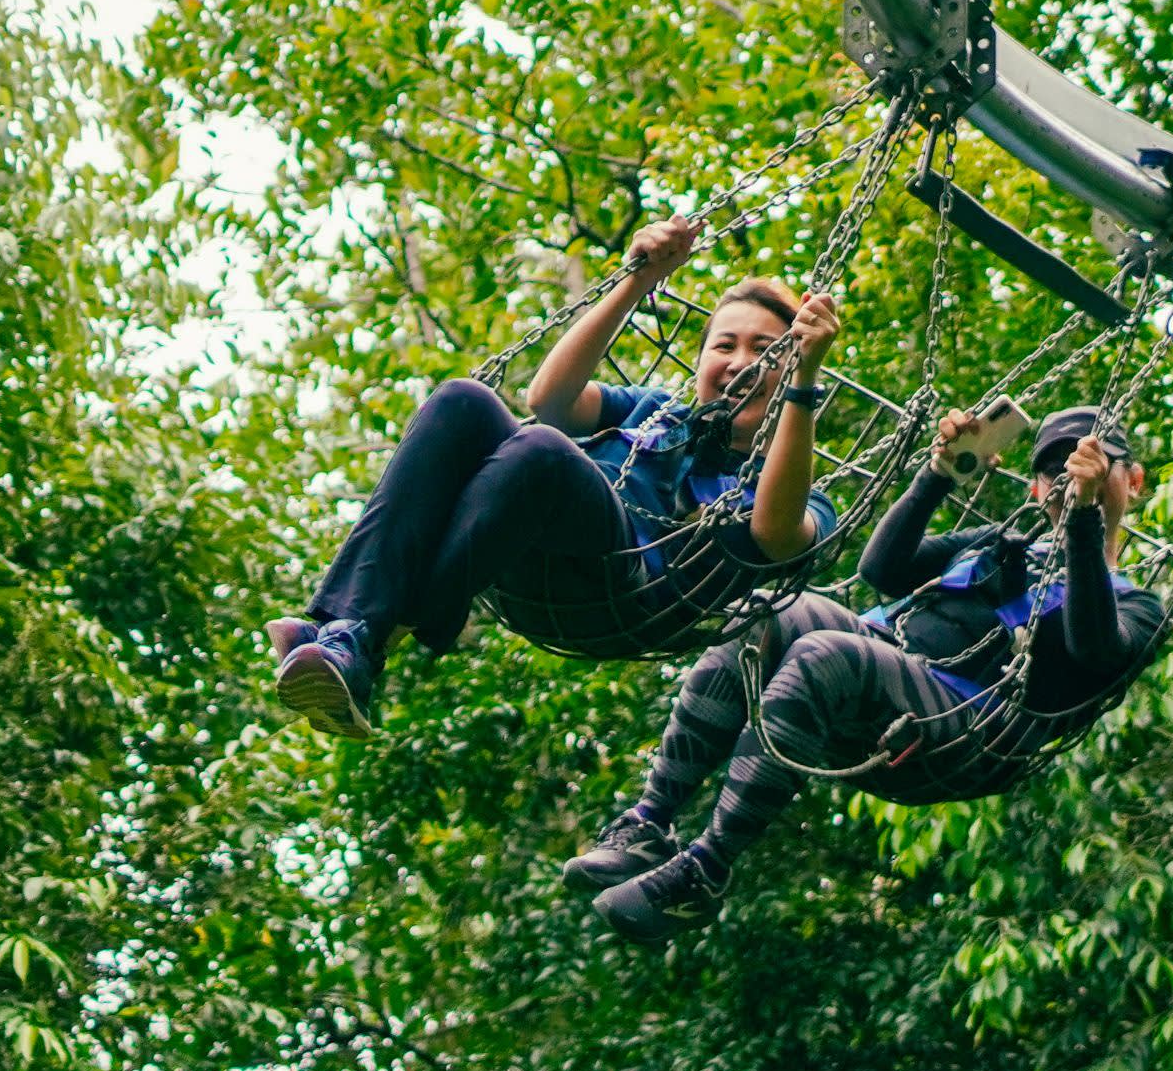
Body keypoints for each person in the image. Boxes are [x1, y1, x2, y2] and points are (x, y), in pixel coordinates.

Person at [565, 404, 1168, 943]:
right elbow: (883, 569)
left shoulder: (1138, 605)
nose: (1069, 479)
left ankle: (705, 871)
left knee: (826, 654)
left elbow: (1095, 649)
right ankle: (648, 821)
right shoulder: (999, 545)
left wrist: (1085, 522)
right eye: (1055, 470)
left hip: (966, 730)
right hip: (887, 660)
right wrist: (938, 474)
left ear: (1133, 481)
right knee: (765, 613)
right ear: (1036, 488)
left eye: (1092, 466)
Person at [268, 214, 844, 738]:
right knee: (463, 399)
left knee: (542, 448)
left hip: (625, 589)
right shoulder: (656, 410)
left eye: (767, 351)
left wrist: (805, 379)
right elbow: (551, 400)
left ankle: (368, 634)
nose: (741, 363)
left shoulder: (804, 496)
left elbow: (774, 533)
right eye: (724, 345)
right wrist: (639, 281)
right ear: (700, 362)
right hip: (527, 531)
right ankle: (342, 630)